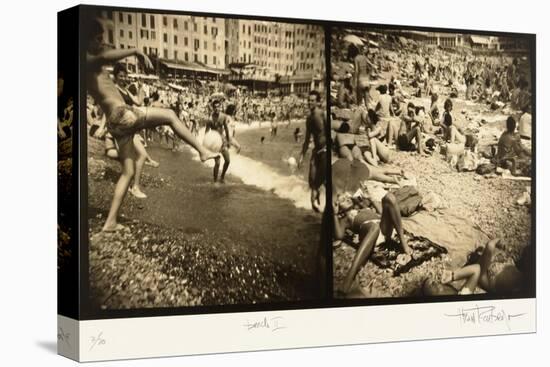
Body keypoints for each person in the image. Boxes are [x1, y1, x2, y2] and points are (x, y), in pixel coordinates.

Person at [85, 18, 218, 232]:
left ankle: (110, 221)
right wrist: (135, 50)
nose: (102, 43)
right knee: (170, 115)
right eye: (98, 39)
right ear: (87, 40)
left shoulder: (86, 66)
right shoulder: (89, 59)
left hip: (114, 122)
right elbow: (103, 56)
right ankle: (202, 151)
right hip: (122, 114)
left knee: (127, 172)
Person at [333, 191, 411, 296]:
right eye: (342, 200)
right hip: (370, 233)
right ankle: (349, 278)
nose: (346, 199)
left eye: (346, 197)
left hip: (384, 229)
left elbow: (381, 213)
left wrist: (371, 200)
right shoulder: (344, 219)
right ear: (339, 208)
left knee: (389, 197)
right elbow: (339, 236)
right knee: (374, 227)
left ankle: (403, 242)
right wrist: (333, 214)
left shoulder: (363, 207)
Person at [424, 238, 532, 296]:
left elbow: (477, 268)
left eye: (433, 282)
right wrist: (490, 247)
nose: (437, 283)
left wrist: (453, 275)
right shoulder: (462, 296)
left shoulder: (462, 292)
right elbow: (478, 270)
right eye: (433, 285)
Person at [298, 90, 327, 213]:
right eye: (309, 100)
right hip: (316, 151)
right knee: (311, 181)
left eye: (312, 100)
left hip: (325, 150)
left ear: (318, 102)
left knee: (320, 181)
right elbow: (306, 140)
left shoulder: (322, 114)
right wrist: (301, 157)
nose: (310, 102)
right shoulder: (309, 119)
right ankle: (318, 206)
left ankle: (321, 207)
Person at [205, 99, 239, 183]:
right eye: (215, 107)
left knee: (227, 160)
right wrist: (206, 145)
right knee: (217, 163)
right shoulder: (210, 119)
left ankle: (222, 177)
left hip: (222, 140)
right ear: (213, 108)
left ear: (220, 107)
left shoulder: (223, 116)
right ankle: (215, 181)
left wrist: (228, 141)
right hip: (214, 142)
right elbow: (206, 132)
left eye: (218, 107)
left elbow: (226, 129)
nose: (217, 108)